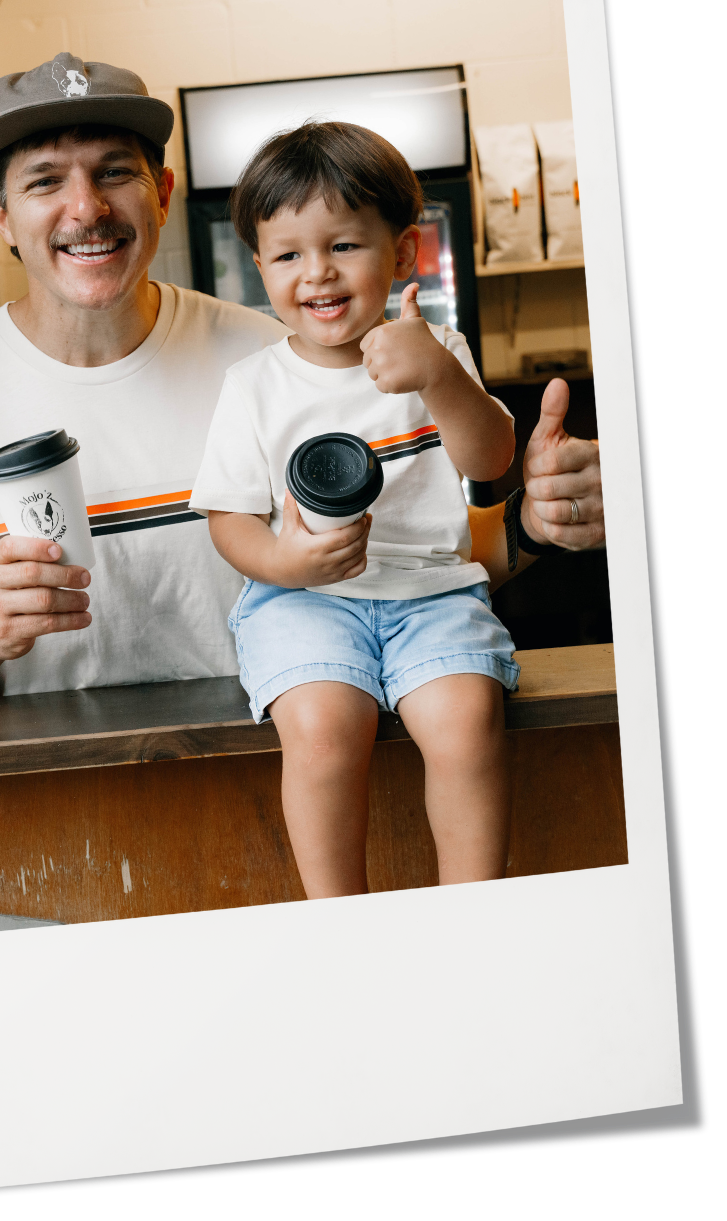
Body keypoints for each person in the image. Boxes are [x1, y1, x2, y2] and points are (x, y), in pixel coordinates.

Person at [0, 52, 604, 713]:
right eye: (45, 181)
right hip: (54, 811)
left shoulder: (278, 354)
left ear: (164, 192)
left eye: (116, 171)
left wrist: (534, 523)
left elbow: (414, 561)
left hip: (267, 780)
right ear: (1, 217)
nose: (86, 208)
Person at [189, 121, 522, 897]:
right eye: (289, 255)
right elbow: (230, 519)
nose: (318, 275)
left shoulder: (440, 348)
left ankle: (477, 918)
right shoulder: (254, 384)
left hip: (431, 595)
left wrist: (437, 377)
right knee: (323, 729)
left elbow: (493, 461)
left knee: (466, 721)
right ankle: (341, 925)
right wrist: (284, 561)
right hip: (301, 600)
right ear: (259, 270)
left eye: (344, 246)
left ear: (405, 254)